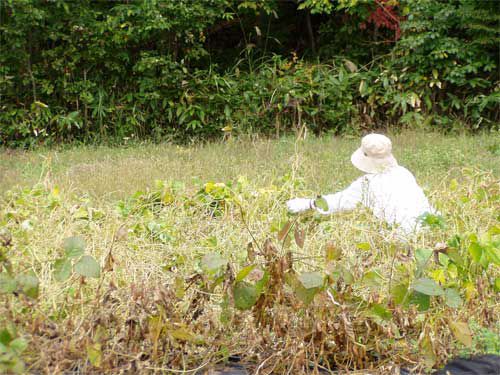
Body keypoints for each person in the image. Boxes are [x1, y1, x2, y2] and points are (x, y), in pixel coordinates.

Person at [286, 133, 435, 236]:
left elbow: (338, 202)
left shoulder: (367, 184)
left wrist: (308, 204)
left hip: (400, 235)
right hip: (430, 227)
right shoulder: (404, 172)